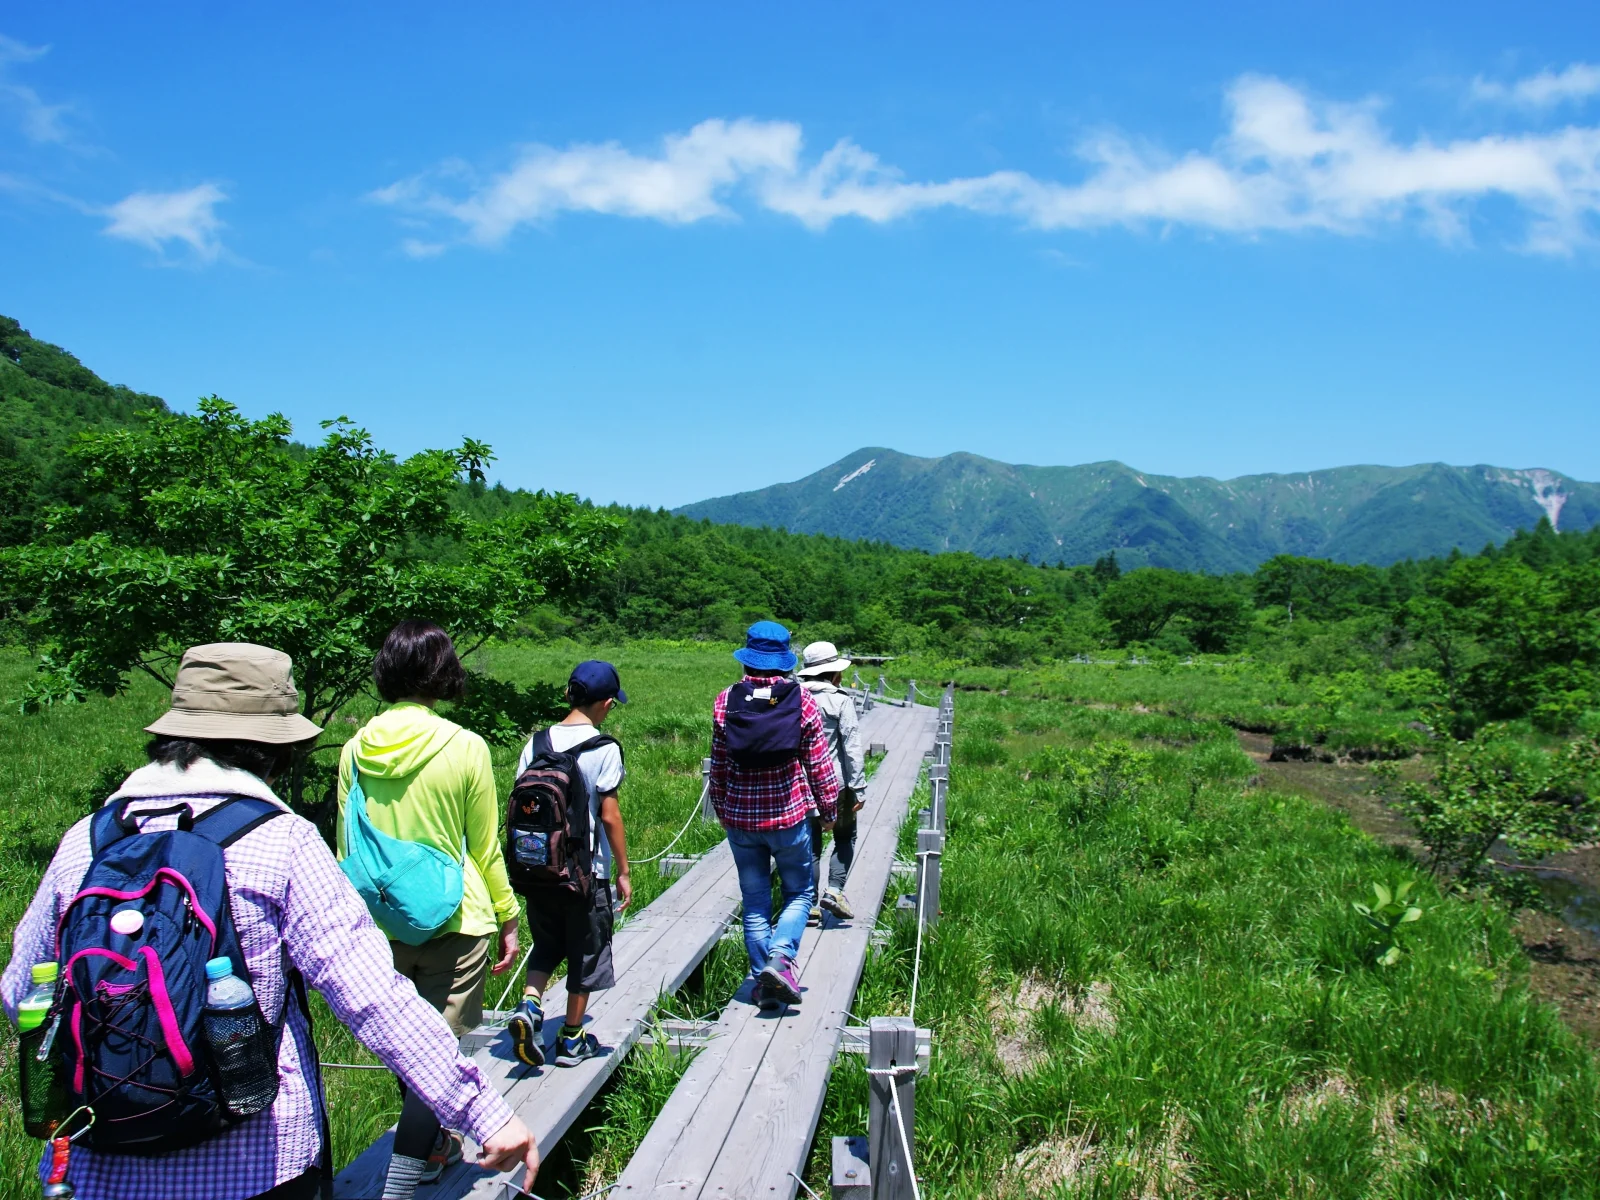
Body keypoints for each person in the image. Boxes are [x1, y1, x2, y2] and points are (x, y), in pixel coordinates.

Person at [2, 642, 538, 1200]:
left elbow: (23, 994)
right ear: (271, 747)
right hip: (255, 1165)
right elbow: (373, 997)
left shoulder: (85, 842)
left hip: (94, 1165)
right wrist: (483, 1111)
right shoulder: (279, 841)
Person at [336, 620, 522, 1197]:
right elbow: (485, 845)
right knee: (437, 1048)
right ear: (444, 674)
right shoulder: (466, 746)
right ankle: (408, 1168)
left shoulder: (354, 748)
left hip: (378, 918)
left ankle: (431, 1143)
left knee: (405, 1042)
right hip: (456, 916)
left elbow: (347, 842)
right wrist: (508, 912)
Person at [505, 660, 631, 1069]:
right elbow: (609, 816)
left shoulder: (536, 743)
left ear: (567, 695)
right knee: (586, 953)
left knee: (546, 944)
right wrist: (624, 871)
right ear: (607, 704)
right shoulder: (604, 748)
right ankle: (573, 1038)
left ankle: (530, 1005)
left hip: (538, 870)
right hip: (585, 873)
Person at [709, 622, 841, 1009]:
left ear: (748, 656)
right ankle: (781, 959)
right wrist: (830, 811)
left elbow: (719, 766)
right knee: (799, 892)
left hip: (741, 820)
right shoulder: (802, 700)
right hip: (788, 816)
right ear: (784, 659)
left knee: (754, 902)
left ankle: (762, 983)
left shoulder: (725, 699)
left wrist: (722, 808)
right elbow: (818, 765)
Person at [796, 641, 868, 922]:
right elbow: (851, 747)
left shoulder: (794, 698)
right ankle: (834, 891)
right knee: (844, 836)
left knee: (809, 844)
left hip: (800, 785)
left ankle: (809, 904)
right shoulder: (840, 700)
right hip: (836, 784)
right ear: (835, 675)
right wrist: (858, 787)